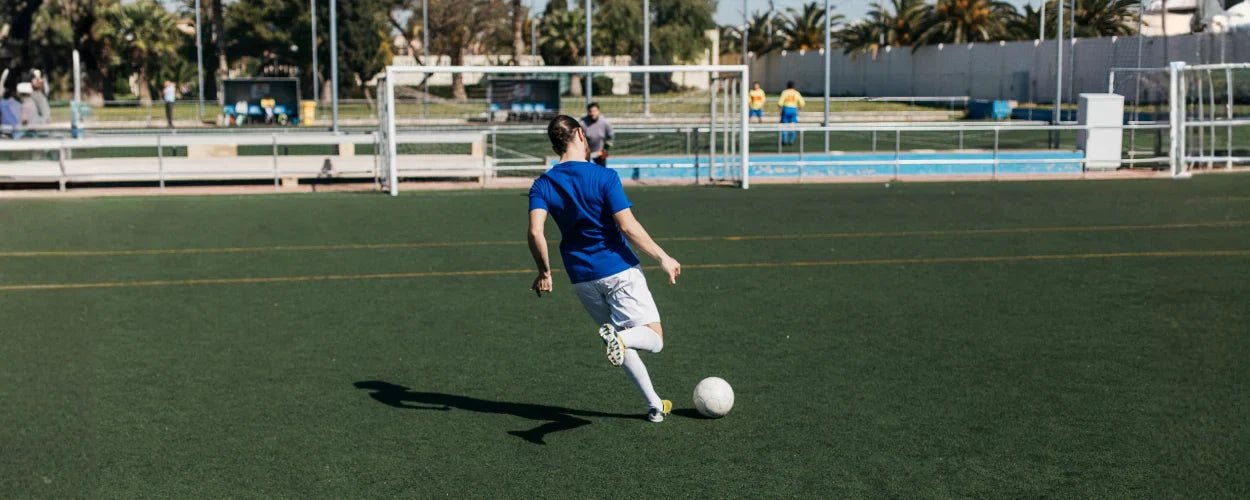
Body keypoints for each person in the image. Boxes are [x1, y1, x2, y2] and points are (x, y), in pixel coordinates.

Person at [527, 115, 682, 423]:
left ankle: (654, 406)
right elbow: (628, 226)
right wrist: (662, 257)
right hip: (618, 268)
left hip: (581, 278)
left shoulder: (542, 184)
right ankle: (623, 340)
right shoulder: (604, 177)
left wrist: (545, 272)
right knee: (652, 338)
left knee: (617, 337)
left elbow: (535, 232)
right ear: (581, 136)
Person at [579, 102, 613, 167]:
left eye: (595, 111)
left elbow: (610, 137)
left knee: (602, 173)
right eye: (591, 111)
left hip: (600, 153)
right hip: (586, 153)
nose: (593, 113)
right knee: (586, 173)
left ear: (599, 111)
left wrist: (604, 150)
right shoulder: (582, 124)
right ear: (588, 112)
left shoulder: (605, 122)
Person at [778, 81, 805, 146]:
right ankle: (791, 140)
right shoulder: (796, 93)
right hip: (793, 109)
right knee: (793, 125)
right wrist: (798, 109)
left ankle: (784, 140)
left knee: (784, 125)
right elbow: (802, 103)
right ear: (793, 86)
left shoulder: (784, 92)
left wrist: (780, 111)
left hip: (786, 109)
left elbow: (780, 103)